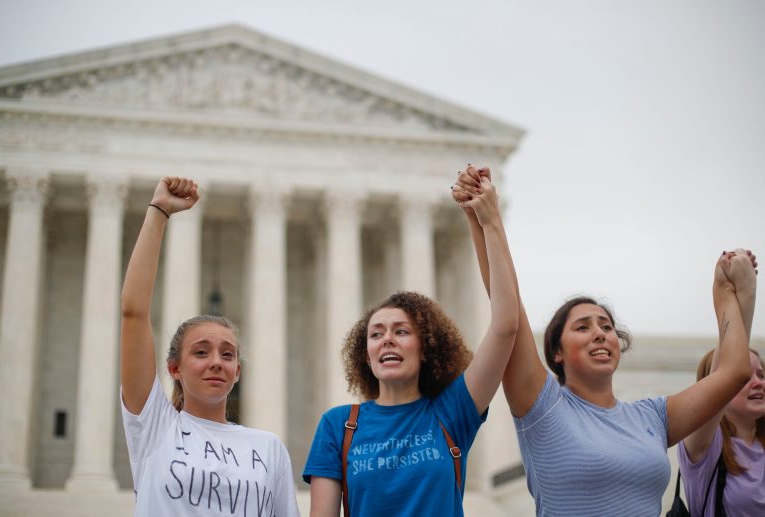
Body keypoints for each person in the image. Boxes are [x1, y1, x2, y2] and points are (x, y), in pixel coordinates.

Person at [452, 165, 757, 516]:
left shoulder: (653, 417)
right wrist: (485, 220)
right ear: (557, 353)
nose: (600, 332)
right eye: (582, 327)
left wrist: (726, 294)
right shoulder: (543, 407)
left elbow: (733, 372)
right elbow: (511, 317)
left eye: (607, 326)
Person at [303, 169, 519, 517]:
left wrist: (489, 222)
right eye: (376, 334)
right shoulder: (338, 425)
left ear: (426, 347)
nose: (387, 339)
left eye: (401, 331)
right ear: (366, 354)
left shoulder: (451, 411)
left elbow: (506, 327)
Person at [120, 177, 300, 517]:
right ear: (175, 368)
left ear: (238, 371)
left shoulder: (268, 448)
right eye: (201, 352)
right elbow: (134, 313)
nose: (216, 362)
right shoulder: (156, 429)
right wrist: (159, 212)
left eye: (227, 354)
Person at [678, 264, 763, 517]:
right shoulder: (705, 449)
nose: (758, 382)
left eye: (762, 374)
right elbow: (724, 375)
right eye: (746, 376)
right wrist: (741, 294)